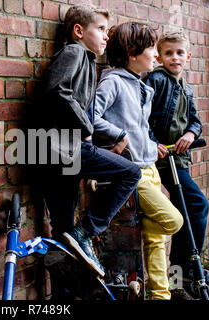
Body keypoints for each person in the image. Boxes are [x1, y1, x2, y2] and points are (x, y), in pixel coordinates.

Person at [33, 4, 141, 277]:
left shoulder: (85, 59)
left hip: (53, 151)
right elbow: (57, 91)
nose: (107, 36)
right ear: (79, 31)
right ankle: (88, 230)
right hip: (64, 147)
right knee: (131, 172)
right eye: (101, 29)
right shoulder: (75, 52)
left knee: (62, 235)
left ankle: (61, 294)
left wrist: (104, 136)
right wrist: (85, 127)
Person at [92, 22, 184, 300]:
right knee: (173, 220)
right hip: (133, 171)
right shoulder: (113, 80)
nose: (156, 56)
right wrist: (118, 135)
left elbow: (137, 127)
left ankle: (160, 296)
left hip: (151, 167)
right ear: (132, 54)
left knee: (156, 240)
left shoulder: (140, 84)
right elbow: (90, 117)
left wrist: (149, 143)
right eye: (151, 50)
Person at [144, 31, 209, 287]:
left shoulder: (185, 86)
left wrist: (191, 132)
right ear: (159, 56)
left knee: (184, 212)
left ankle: (177, 280)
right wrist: (152, 142)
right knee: (198, 205)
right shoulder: (156, 80)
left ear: (188, 56)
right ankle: (189, 268)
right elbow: (141, 117)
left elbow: (195, 120)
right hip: (162, 160)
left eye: (179, 53)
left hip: (179, 160)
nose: (174, 57)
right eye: (168, 53)